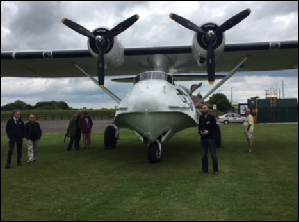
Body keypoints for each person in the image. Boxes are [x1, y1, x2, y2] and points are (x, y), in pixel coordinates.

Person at [198, 104, 219, 175]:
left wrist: (208, 132)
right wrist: (200, 132)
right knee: (204, 155)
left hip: (210, 138)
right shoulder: (201, 118)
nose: (204, 109)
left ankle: (215, 170)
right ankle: (205, 169)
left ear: (208, 109)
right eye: (203, 108)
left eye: (205, 108)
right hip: (203, 139)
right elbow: (199, 127)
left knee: (213, 154)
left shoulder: (212, 117)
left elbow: (215, 128)